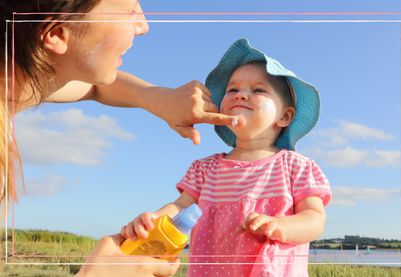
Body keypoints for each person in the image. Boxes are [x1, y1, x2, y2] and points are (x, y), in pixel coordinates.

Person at [0, 1, 240, 276]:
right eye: (129, 10)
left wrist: (157, 98)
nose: (143, 25)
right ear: (56, 34)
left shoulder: (15, 85)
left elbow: (95, 88)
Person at [121, 39, 332, 277]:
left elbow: (315, 219)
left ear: (285, 116)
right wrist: (152, 220)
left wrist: (282, 225)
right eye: (233, 89)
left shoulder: (296, 166)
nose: (241, 95)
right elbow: (179, 207)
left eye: (258, 89)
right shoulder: (205, 169)